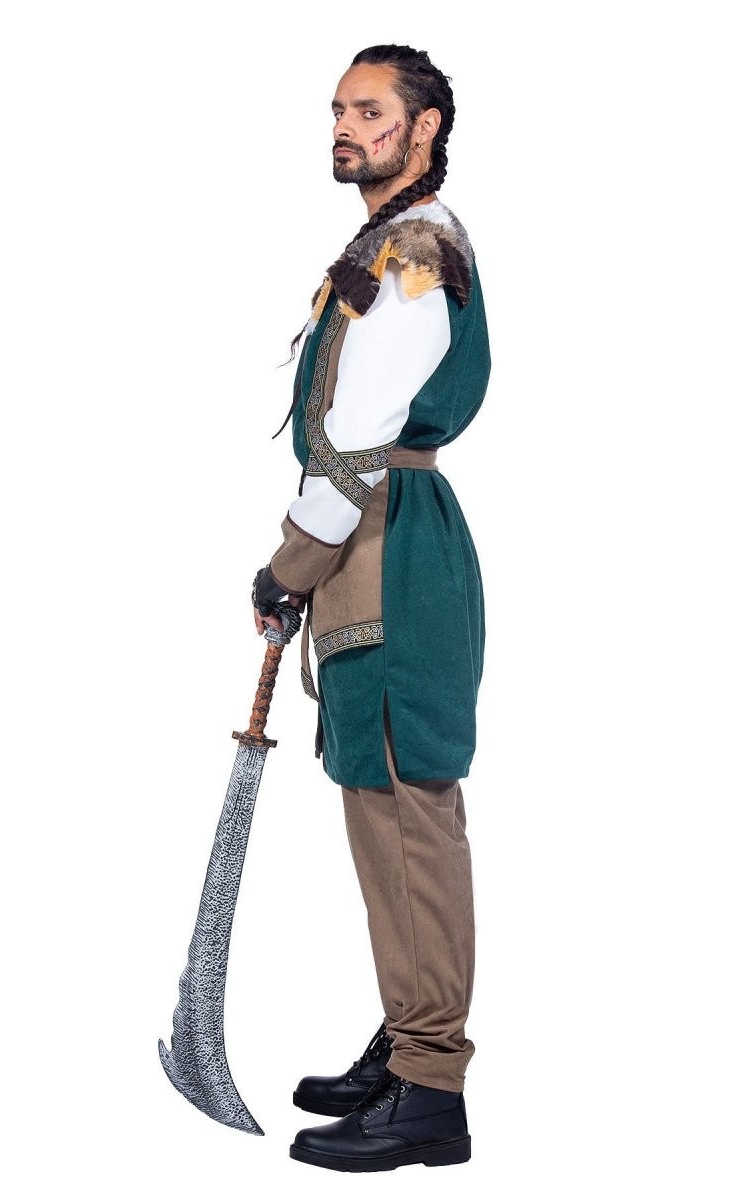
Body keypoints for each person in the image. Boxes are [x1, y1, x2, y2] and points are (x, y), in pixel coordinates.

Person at [251, 44, 492, 1172]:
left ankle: (429, 1087)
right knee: (379, 810)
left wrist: (288, 566)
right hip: (375, 544)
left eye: (369, 110)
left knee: (407, 818)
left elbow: (355, 438)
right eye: (338, 110)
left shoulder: (416, 254)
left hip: (385, 549)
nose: (344, 127)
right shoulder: (383, 246)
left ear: (424, 128)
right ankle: (406, 1043)